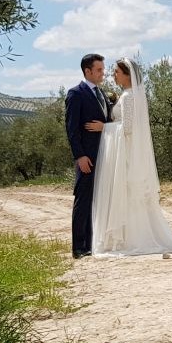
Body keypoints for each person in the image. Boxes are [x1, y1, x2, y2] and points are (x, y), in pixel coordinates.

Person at [91, 58, 172, 256]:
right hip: (127, 151)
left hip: (127, 153)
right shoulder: (129, 95)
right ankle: (127, 235)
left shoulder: (129, 97)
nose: (113, 75)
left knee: (127, 192)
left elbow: (129, 128)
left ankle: (130, 238)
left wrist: (104, 127)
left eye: (116, 72)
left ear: (126, 74)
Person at [65, 53, 109, 258]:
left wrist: (106, 128)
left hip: (104, 156)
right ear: (87, 71)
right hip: (87, 158)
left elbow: (105, 123)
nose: (103, 73)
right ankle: (79, 247)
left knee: (96, 200)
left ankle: (91, 244)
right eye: (99, 70)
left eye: (103, 69)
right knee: (83, 200)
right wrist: (79, 156)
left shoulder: (102, 95)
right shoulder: (76, 94)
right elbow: (72, 129)